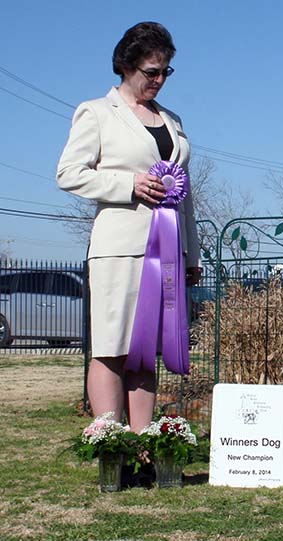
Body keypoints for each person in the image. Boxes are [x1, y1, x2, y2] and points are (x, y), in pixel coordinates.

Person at [57, 22, 201, 433]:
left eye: (165, 72)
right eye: (151, 72)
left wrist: (191, 252)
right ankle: (109, 445)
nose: (158, 80)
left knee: (146, 353)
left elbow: (183, 192)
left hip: (168, 251)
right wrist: (128, 185)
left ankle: (144, 445)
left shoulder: (172, 120)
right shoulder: (97, 112)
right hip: (118, 248)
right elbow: (68, 173)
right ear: (127, 65)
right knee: (111, 349)